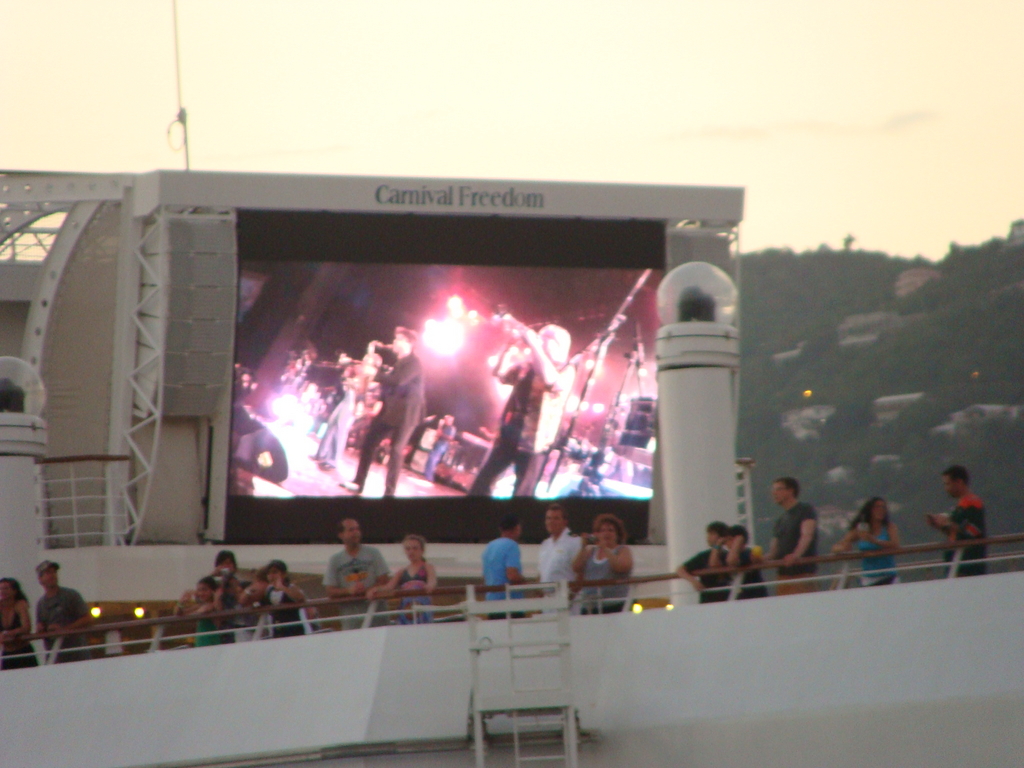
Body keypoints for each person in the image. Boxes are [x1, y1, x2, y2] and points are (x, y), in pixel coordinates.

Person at [469, 321, 575, 497]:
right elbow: (500, 374)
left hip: (536, 440)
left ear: (558, 345)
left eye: (545, 338)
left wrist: (533, 343)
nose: (540, 340)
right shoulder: (527, 366)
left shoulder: (566, 369)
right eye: (539, 337)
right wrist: (508, 348)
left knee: (522, 492)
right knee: (484, 480)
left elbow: (550, 380)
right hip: (511, 431)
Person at [343, 328, 425, 497]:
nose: (394, 342)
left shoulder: (414, 363)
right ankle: (358, 482)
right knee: (369, 442)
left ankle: (389, 494)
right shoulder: (399, 362)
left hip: (407, 413)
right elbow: (390, 385)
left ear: (408, 343)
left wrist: (374, 373)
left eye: (398, 339)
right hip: (391, 410)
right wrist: (378, 399)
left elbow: (399, 381)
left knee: (396, 451)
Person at [324, 518, 390, 629]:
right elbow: (330, 590)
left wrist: (367, 590)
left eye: (357, 529)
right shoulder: (335, 560)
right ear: (341, 535)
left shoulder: (373, 553)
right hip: (351, 621)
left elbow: (384, 580)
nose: (356, 532)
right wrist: (349, 591)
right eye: (351, 530)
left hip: (377, 617)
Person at [925, 465, 987, 577]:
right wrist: (940, 526)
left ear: (958, 482)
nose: (946, 488)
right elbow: (957, 532)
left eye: (947, 484)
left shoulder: (972, 504)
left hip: (967, 566)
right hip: (956, 564)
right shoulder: (960, 506)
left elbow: (973, 532)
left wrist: (947, 524)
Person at [764, 477, 819, 595]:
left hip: (802, 574)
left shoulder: (805, 510)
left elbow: (807, 535)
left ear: (791, 491)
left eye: (778, 489)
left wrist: (796, 555)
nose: (774, 493)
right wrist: (761, 559)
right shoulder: (780, 520)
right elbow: (774, 552)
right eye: (773, 490)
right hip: (783, 576)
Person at [368, 534, 437, 625]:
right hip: (406, 608)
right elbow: (389, 587)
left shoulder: (427, 567)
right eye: (408, 549)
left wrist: (430, 586)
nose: (411, 552)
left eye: (415, 548)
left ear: (422, 550)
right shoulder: (402, 571)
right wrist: (375, 589)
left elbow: (432, 580)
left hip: (422, 606)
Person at [573, 513, 634, 614]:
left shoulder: (622, 550)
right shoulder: (591, 551)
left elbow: (621, 567)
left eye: (610, 530)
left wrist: (605, 548)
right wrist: (583, 547)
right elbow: (576, 568)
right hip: (589, 605)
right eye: (603, 530)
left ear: (617, 534)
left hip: (613, 605)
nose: (606, 533)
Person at [833, 497, 901, 586]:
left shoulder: (889, 527)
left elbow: (895, 544)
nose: (881, 510)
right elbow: (837, 546)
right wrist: (844, 548)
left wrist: (874, 540)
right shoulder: (861, 530)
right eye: (877, 507)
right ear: (870, 510)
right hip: (868, 578)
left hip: (889, 576)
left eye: (883, 507)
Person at [35, 560, 91, 663]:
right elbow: (40, 626)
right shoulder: (41, 604)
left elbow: (87, 618)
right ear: (40, 579)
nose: (52, 575)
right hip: (55, 656)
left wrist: (64, 629)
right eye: (48, 573)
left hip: (77, 655)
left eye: (54, 572)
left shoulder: (71, 595)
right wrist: (42, 629)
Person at [241, 560, 307, 638]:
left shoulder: (291, 587)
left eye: (275, 572)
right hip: (276, 629)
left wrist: (282, 587)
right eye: (269, 573)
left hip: (293, 629)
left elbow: (300, 598)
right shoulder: (269, 590)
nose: (271, 576)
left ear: (283, 574)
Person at [676, 521, 731, 603]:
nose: (708, 537)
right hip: (708, 599)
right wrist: (694, 581)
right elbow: (680, 570)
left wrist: (717, 545)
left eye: (712, 534)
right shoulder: (703, 556)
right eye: (708, 534)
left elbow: (714, 565)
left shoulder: (728, 556)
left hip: (727, 598)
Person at [481, 514, 526, 612]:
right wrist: (525, 582)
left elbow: (485, 577)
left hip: (491, 603)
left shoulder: (489, 547)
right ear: (517, 528)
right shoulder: (512, 546)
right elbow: (512, 575)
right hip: (510, 605)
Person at [174, 576, 225, 647]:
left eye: (204, 590)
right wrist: (181, 602)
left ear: (213, 591)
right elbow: (178, 613)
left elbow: (193, 615)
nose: (201, 593)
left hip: (210, 642)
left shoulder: (211, 606)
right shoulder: (200, 605)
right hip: (201, 641)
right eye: (199, 590)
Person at [538, 503, 582, 584]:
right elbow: (541, 573)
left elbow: (580, 572)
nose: (551, 522)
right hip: (546, 595)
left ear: (565, 522)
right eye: (548, 518)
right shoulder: (545, 544)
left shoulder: (575, 542)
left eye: (556, 518)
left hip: (564, 594)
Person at [0, 578, 38, 670]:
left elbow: (26, 627)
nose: (2, 591)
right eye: (0, 589)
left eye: (6, 588)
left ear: (14, 591)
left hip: (23, 651)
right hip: (7, 654)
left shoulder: (20, 604)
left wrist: (8, 633)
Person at [723, 525, 768, 599]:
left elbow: (731, 561)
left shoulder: (747, 553)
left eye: (729, 539)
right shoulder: (726, 555)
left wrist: (737, 543)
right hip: (742, 596)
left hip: (754, 595)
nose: (726, 543)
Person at [423, 414, 457, 482]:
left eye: (446, 419)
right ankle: (426, 475)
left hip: (442, 445)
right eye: (445, 419)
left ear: (451, 420)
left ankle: (429, 477)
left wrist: (441, 434)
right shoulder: (444, 427)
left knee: (433, 460)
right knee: (430, 459)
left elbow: (450, 438)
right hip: (438, 444)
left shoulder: (452, 428)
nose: (445, 420)